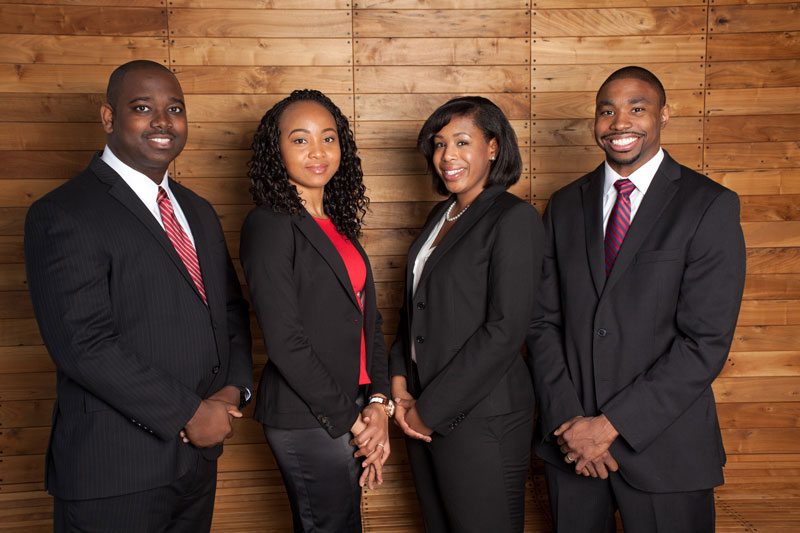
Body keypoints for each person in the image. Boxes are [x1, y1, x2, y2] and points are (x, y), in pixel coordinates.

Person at [24, 60, 253, 532]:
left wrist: (234, 389)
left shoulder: (198, 211)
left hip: (196, 466)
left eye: (175, 109)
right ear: (109, 118)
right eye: (143, 108)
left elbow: (229, 311)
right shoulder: (63, 213)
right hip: (113, 471)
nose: (163, 121)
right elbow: (82, 344)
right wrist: (188, 412)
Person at [527, 66, 746, 532]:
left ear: (664, 115)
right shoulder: (564, 204)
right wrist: (572, 424)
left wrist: (608, 427)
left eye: (637, 108)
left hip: (667, 452)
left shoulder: (709, 205)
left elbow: (704, 342)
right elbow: (542, 322)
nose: (619, 122)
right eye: (607, 110)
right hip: (573, 449)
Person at [389, 96, 543, 532]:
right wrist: (400, 390)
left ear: (493, 147)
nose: (447, 156)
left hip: (480, 416)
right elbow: (413, 312)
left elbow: (504, 330)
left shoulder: (514, 218)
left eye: (461, 141)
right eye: (439, 145)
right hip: (418, 410)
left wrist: (427, 411)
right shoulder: (443, 215)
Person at [239, 89, 391, 533]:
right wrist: (353, 422)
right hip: (309, 415)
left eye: (328, 138)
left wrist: (379, 404)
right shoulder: (267, 225)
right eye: (300, 140)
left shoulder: (339, 227)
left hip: (355, 406)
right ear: (276, 149)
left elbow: (371, 324)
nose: (318, 152)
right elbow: (286, 342)